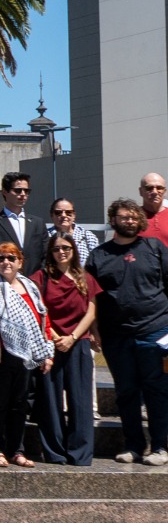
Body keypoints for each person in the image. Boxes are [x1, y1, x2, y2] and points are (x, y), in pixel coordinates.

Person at [86, 199, 168, 465]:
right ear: (113, 220)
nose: (130, 221)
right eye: (124, 217)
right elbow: (90, 299)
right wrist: (94, 330)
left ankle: (160, 448)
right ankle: (133, 446)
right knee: (126, 392)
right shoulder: (99, 255)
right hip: (116, 336)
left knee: (156, 390)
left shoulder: (155, 248)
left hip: (155, 330)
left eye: (134, 217)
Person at [0, 241, 54, 467]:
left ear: (20, 262)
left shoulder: (31, 289)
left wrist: (47, 353)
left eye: (11, 258)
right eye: (1, 258)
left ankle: (17, 450)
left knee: (19, 404)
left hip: (26, 356)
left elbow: (43, 320)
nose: (6, 262)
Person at [34, 230, 96, 466]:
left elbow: (91, 311)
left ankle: (80, 453)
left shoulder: (85, 277)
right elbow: (38, 311)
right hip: (50, 344)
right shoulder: (41, 278)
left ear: (73, 251)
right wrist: (56, 336)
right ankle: (55, 452)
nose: (61, 252)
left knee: (81, 399)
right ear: (50, 252)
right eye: (57, 248)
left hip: (78, 343)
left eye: (66, 248)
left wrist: (72, 336)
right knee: (50, 399)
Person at [0, 172, 44, 273]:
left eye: (26, 191)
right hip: (5, 283)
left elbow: (45, 254)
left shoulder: (38, 223)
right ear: (5, 192)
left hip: (35, 283)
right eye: (18, 190)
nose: (23, 194)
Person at [48, 198, 99, 267]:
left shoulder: (88, 237)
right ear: (52, 215)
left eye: (68, 212)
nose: (63, 215)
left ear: (74, 215)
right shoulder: (45, 236)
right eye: (58, 213)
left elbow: (96, 263)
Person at [140, 174, 168, 245]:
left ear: (165, 191)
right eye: (149, 188)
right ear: (140, 191)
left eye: (159, 188)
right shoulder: (131, 218)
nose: (155, 192)